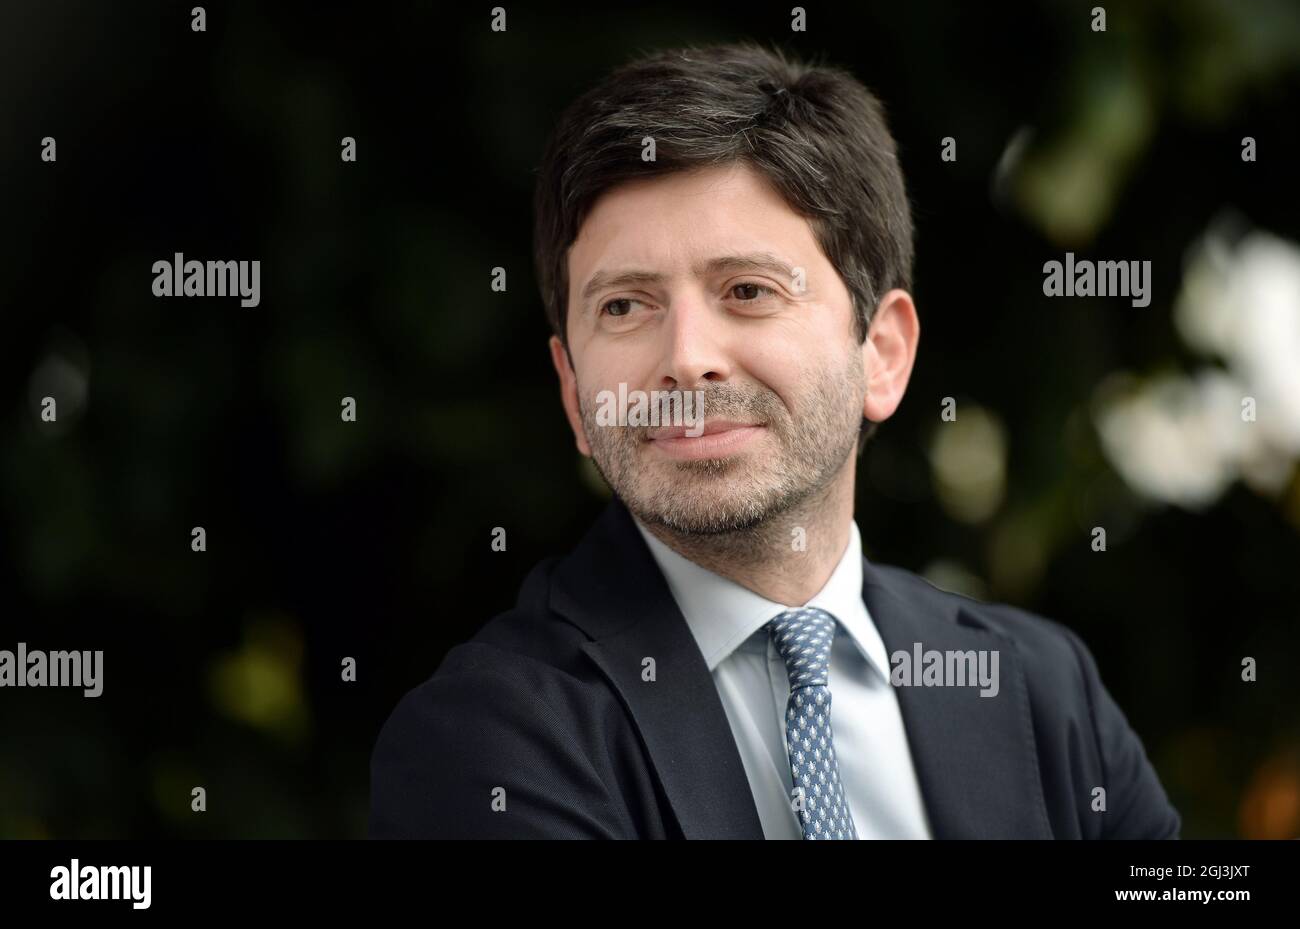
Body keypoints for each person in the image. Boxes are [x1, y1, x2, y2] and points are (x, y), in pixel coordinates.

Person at [369, 41, 1181, 839]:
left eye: (747, 290)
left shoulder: (1043, 691)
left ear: (884, 354)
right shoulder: (487, 742)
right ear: (575, 393)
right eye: (624, 306)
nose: (686, 358)